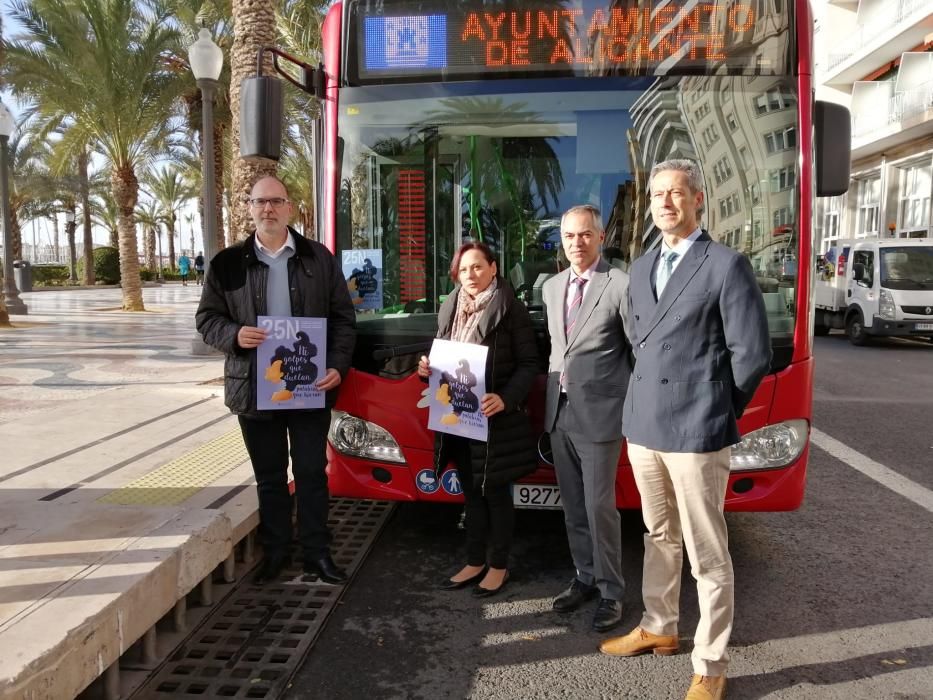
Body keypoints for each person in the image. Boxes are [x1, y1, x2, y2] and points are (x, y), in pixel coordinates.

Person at [599, 159, 771, 700]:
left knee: (707, 551)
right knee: (658, 535)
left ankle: (712, 663)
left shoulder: (725, 264)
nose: (665, 203)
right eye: (656, 195)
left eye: (676, 193)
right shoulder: (644, 264)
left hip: (697, 428)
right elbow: (635, 343)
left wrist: (716, 405)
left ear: (698, 199)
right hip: (645, 424)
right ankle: (659, 626)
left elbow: (752, 356)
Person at [196, 176, 356, 585]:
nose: (268, 209)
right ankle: (276, 553)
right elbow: (207, 319)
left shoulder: (318, 258)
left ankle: (317, 554)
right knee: (269, 477)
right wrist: (233, 335)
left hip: (308, 387)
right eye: (260, 201)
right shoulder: (226, 263)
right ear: (249, 207)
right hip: (255, 387)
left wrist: (337, 364)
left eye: (276, 201)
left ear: (290, 208)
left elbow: (342, 319)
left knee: (310, 473)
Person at [417, 242, 538, 597]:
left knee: (496, 494)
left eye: (478, 267)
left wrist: (506, 398)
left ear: (494, 268)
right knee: (470, 493)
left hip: (494, 418)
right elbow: (442, 353)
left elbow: (529, 365)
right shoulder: (449, 306)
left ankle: (498, 566)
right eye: (464, 269)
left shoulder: (511, 309)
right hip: (457, 417)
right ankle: (473, 560)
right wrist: (427, 369)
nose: (471, 275)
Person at [541, 205, 633, 632]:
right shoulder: (552, 286)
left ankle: (613, 591)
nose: (576, 243)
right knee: (574, 506)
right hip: (560, 413)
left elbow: (638, 353)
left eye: (584, 235)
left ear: (599, 237)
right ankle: (585, 576)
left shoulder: (620, 285)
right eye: (568, 236)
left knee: (600, 507)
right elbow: (559, 350)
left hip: (600, 416)